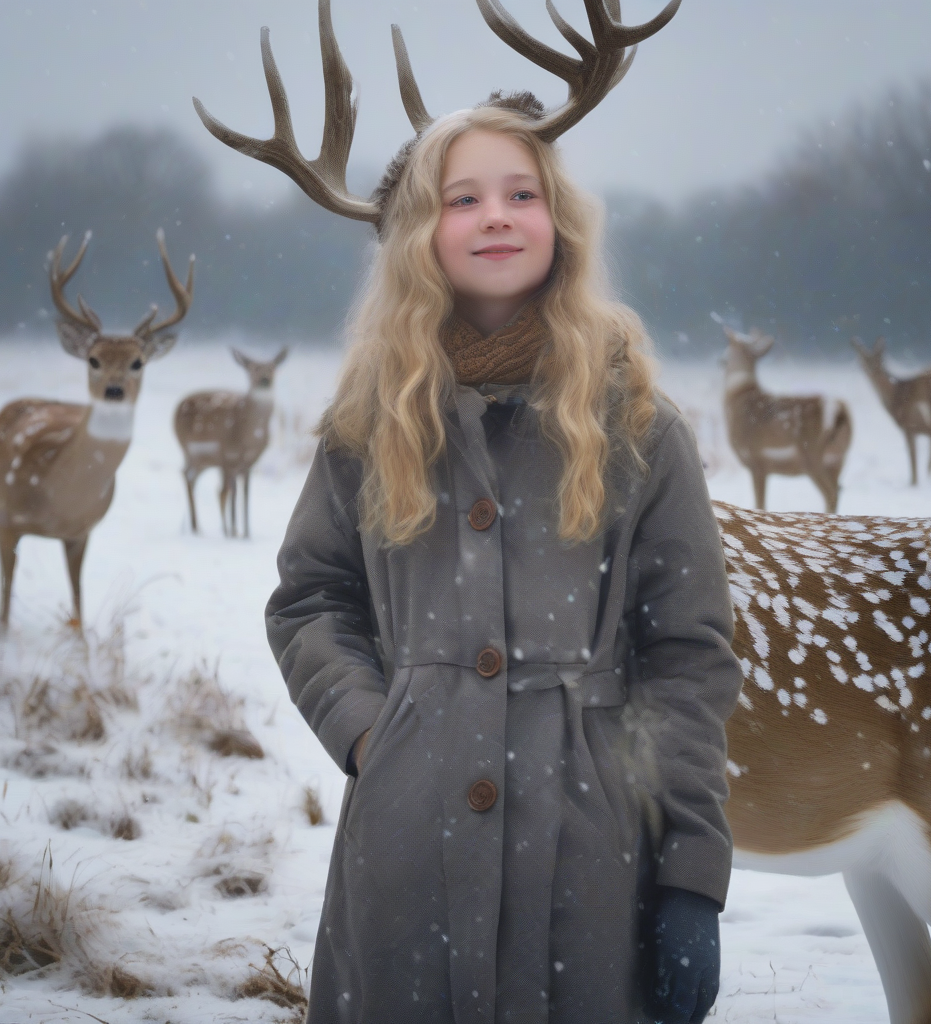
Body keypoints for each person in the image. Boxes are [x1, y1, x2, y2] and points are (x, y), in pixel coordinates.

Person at [197, 3, 742, 1021]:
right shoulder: (371, 423)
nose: (495, 215)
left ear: (559, 221)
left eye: (520, 193)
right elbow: (310, 599)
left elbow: (688, 658)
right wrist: (375, 732)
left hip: (593, 863)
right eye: (461, 199)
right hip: (405, 849)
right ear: (417, 235)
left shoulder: (638, 428)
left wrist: (690, 878)